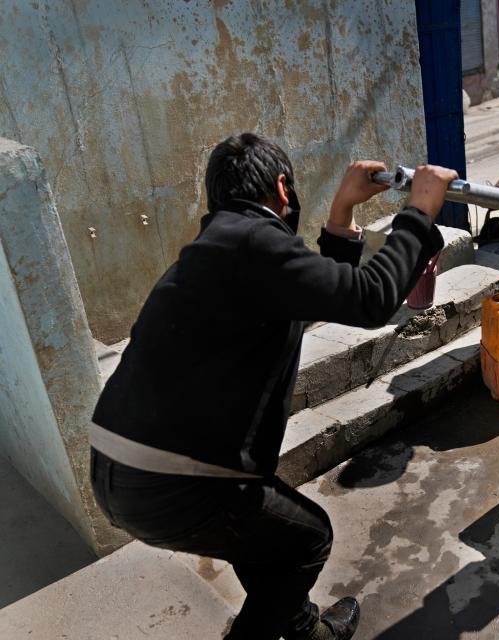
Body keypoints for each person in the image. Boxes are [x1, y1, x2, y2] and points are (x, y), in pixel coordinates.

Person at [88, 132, 456, 640]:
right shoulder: (253, 246)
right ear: (283, 188)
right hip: (171, 484)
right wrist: (418, 214)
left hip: (118, 471)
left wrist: (342, 213)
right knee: (307, 540)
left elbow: (319, 294)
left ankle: (304, 632)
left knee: (261, 535)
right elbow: (371, 300)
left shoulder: (219, 249)